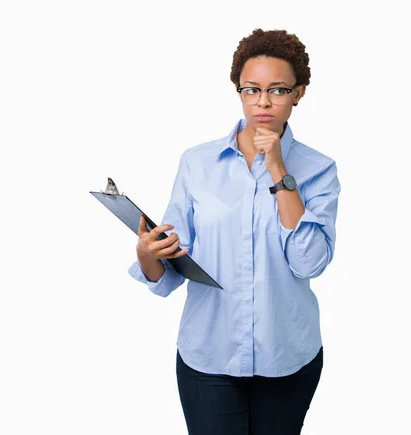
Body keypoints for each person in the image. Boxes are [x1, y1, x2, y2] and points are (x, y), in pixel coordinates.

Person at [128, 28, 341, 435]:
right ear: (238, 91)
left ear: (300, 93)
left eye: (278, 90)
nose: (263, 102)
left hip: (286, 356)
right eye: (251, 89)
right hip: (210, 354)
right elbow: (174, 264)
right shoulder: (197, 162)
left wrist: (279, 170)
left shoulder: (319, 169)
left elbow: (309, 261)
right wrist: (148, 253)